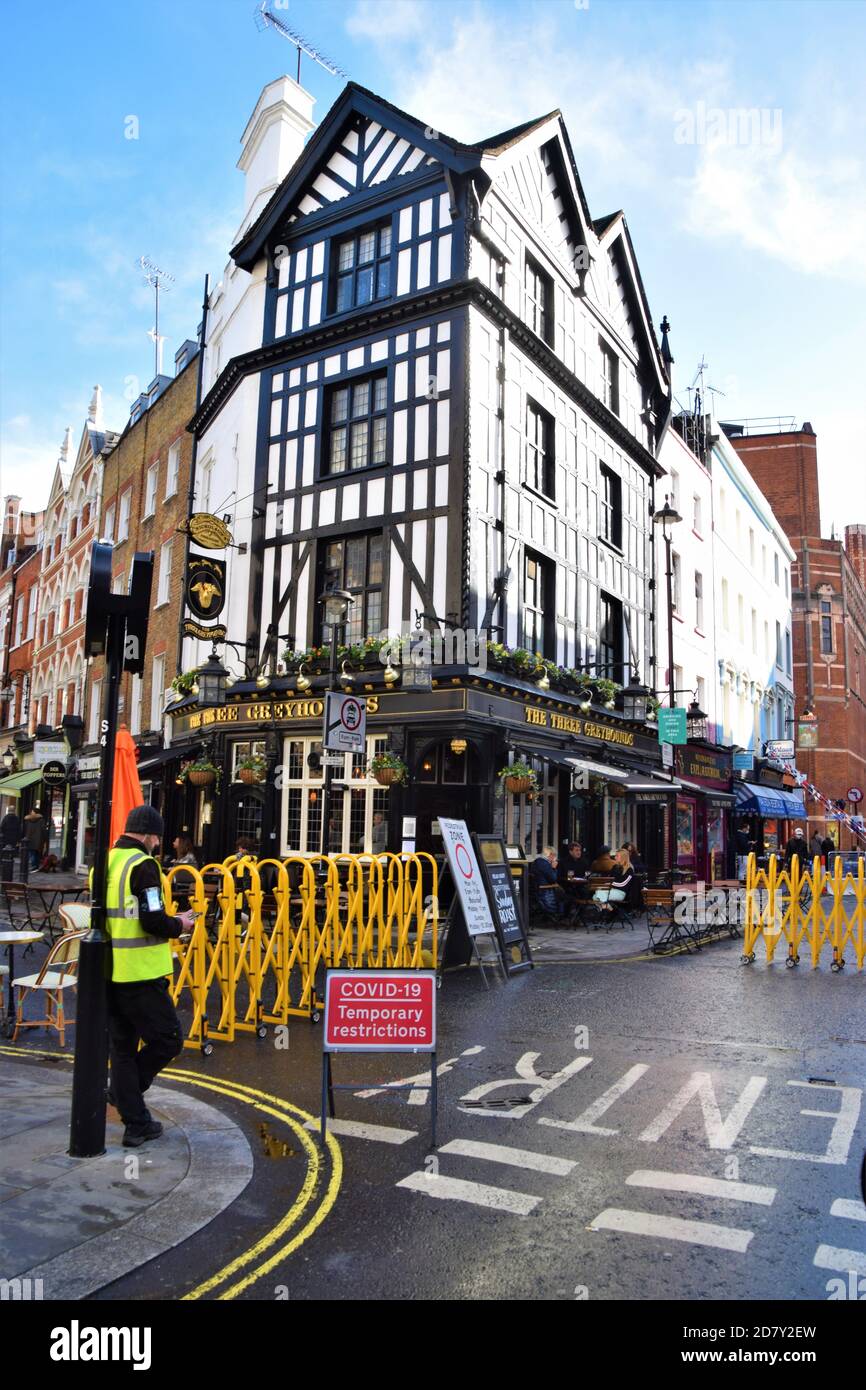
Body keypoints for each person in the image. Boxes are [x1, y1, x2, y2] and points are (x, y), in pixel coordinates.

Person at [100, 805, 194, 1148]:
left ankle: (136, 1123)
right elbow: (152, 920)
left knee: (122, 1049)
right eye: (157, 837)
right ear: (150, 835)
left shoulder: (105, 862)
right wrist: (180, 924)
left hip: (110, 972)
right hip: (141, 973)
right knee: (168, 1040)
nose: (158, 844)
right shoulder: (144, 866)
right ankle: (124, 1097)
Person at [593, 847, 639, 916]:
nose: (615, 857)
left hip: (621, 892)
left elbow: (623, 884)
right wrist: (606, 884)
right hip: (611, 890)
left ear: (623, 857)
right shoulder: (615, 867)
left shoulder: (629, 870)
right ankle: (611, 910)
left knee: (599, 893)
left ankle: (607, 913)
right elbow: (610, 878)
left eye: (617, 856)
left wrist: (610, 884)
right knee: (594, 897)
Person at [530, 847, 571, 917]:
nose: (556, 858)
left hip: (538, 891)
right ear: (550, 855)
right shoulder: (545, 864)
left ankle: (560, 917)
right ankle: (561, 917)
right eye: (555, 855)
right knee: (568, 898)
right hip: (546, 893)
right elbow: (553, 878)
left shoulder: (537, 862)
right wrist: (554, 868)